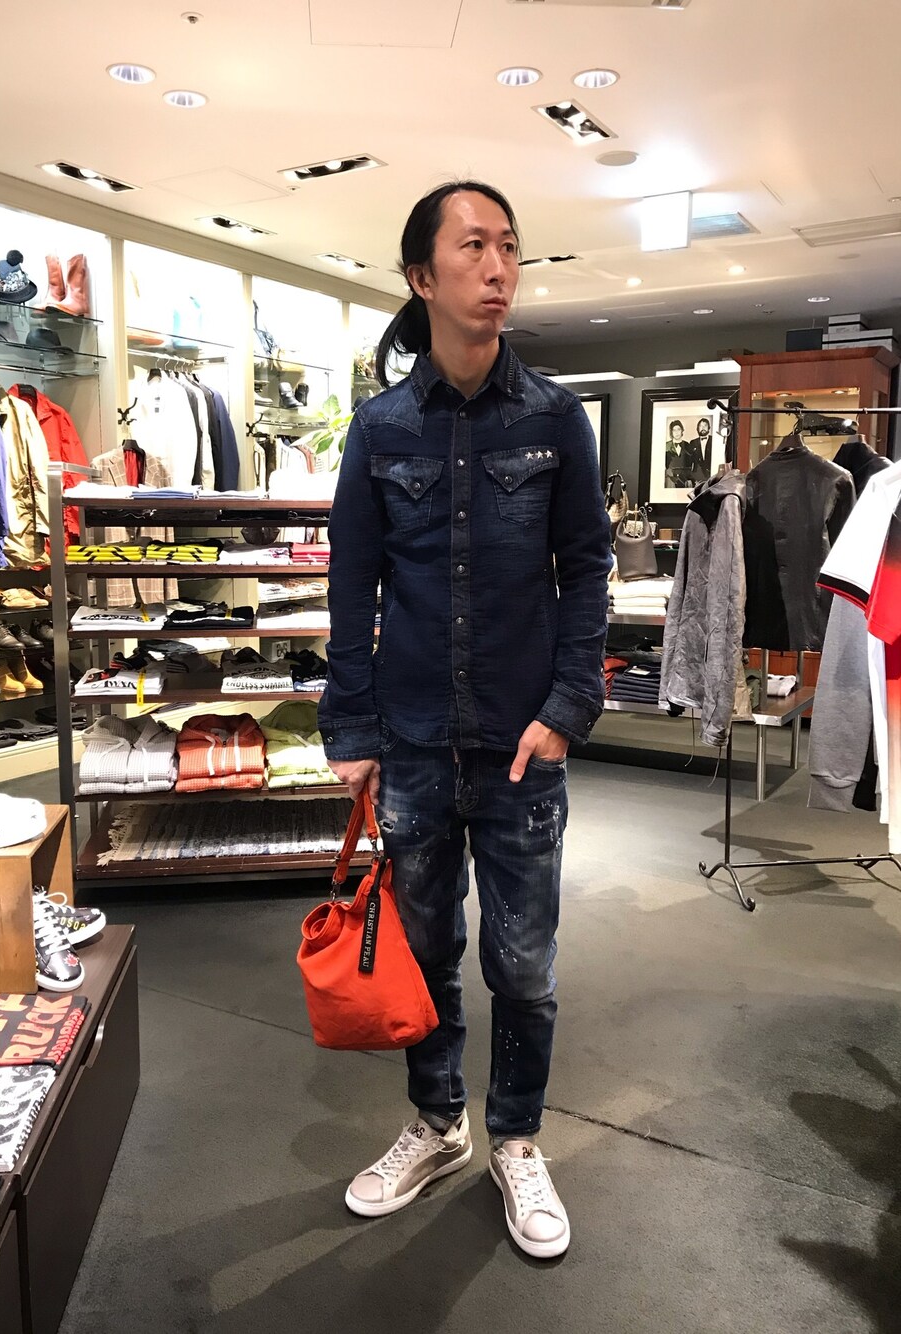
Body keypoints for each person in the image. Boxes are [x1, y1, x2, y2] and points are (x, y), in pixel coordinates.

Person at [317, 180, 612, 1259]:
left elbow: (586, 570)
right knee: (426, 950)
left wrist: (568, 710)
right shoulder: (379, 429)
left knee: (523, 965)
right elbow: (352, 586)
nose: (498, 267)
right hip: (409, 742)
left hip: (522, 746)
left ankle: (516, 1138)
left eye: (509, 248)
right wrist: (350, 728)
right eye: (474, 246)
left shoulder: (554, 420)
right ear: (421, 276)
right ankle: (438, 1124)